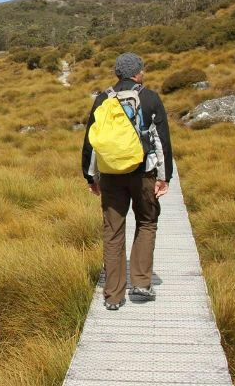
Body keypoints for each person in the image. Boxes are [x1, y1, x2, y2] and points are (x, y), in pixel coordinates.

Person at [81, 52, 173, 310]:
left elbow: (92, 142)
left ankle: (113, 295)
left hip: (111, 175)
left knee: (113, 232)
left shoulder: (102, 99)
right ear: (138, 72)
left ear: (117, 73)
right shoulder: (150, 97)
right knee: (146, 221)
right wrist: (164, 177)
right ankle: (142, 283)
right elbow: (161, 141)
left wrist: (91, 176)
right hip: (143, 172)